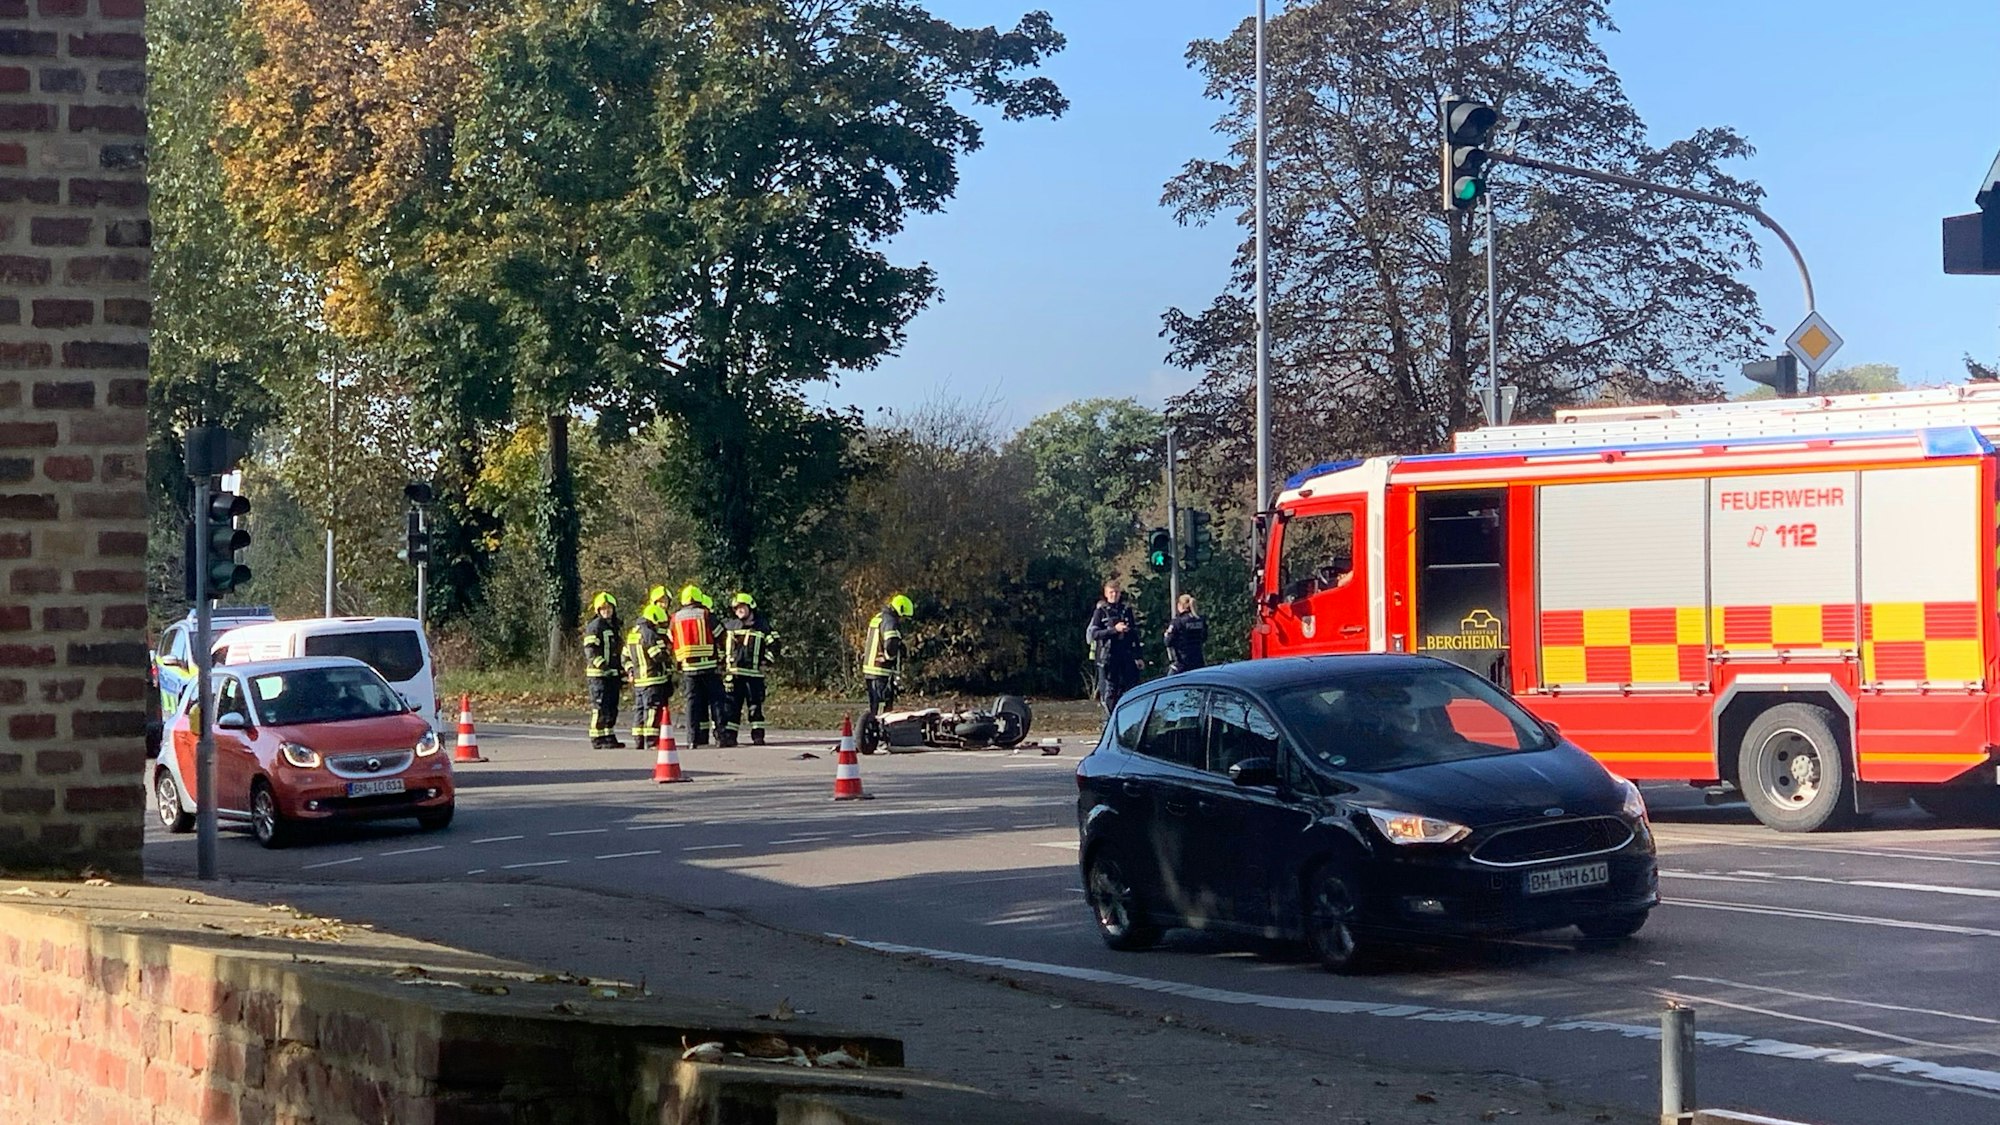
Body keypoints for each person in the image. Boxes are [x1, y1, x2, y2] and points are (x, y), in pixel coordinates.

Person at [672, 584, 727, 746]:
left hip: (688, 668)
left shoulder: (675, 618)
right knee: (716, 702)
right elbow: (720, 635)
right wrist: (722, 657)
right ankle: (721, 737)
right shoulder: (706, 614)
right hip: (709, 665)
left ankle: (692, 739)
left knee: (692, 705)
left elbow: (670, 639)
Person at [722, 592, 777, 745]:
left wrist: (767, 660)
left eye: (742, 607)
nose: (739, 610)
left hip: (754, 675)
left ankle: (758, 736)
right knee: (732, 707)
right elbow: (720, 646)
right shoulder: (730, 626)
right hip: (734, 675)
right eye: (736, 608)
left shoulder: (762, 626)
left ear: (750, 607)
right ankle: (730, 737)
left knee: (755, 707)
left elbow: (775, 644)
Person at [1087, 580, 1143, 715]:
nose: (1114, 595)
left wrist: (1138, 656)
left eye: (1116, 592)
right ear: (1106, 594)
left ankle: (1128, 718)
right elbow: (1094, 634)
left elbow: (1134, 635)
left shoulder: (1126, 610)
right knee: (1110, 691)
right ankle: (1110, 719)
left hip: (1126, 655)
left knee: (1130, 688)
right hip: (1108, 657)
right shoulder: (1101, 612)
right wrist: (1114, 630)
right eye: (1111, 592)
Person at [622, 602, 671, 747]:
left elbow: (625, 656)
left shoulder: (633, 633)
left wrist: (630, 671)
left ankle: (638, 739)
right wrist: (667, 653)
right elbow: (657, 656)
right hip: (652, 678)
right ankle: (651, 740)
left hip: (638, 680)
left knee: (639, 710)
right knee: (652, 710)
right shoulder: (649, 634)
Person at [862, 593, 913, 728]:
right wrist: (889, 657)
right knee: (883, 706)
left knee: (874, 704)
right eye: (903, 616)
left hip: (870, 667)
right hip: (881, 669)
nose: (902, 620)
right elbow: (890, 641)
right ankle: (880, 733)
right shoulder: (890, 620)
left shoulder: (878, 617)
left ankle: (870, 733)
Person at [583, 592, 626, 749]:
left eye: (608, 608)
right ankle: (597, 737)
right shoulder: (595, 627)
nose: (606, 611)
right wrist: (602, 666)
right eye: (603, 609)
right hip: (598, 675)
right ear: (598, 610)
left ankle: (609, 735)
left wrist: (620, 670)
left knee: (612, 706)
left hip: (612, 673)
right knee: (600, 706)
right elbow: (590, 650)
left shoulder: (614, 626)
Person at [1165, 593, 1208, 676]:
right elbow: (1204, 637)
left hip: (1182, 663)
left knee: (1168, 684)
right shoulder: (1200, 620)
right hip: (1198, 662)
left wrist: (1167, 634)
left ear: (1180, 606)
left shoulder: (1178, 621)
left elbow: (1168, 642)